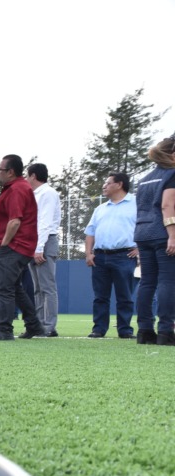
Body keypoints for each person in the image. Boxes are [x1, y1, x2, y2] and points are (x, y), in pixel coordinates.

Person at [0, 155, 46, 341]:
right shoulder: (17, 188)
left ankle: (5, 329)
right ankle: (34, 325)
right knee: (15, 287)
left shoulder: (17, 189)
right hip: (20, 246)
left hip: (14, 246)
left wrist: (4, 244)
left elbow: (14, 221)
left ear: (10, 172)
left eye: (0, 170)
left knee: (4, 288)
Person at [84, 171, 138, 339]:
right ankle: (99, 329)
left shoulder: (136, 204)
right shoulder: (100, 208)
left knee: (125, 296)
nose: (104, 186)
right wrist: (88, 254)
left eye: (108, 183)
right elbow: (90, 232)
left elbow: (144, 226)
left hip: (125, 256)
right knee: (100, 296)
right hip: (100, 257)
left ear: (119, 184)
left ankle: (125, 330)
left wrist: (140, 248)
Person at [134, 135, 175, 345]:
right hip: (162, 232)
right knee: (167, 281)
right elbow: (167, 206)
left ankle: (144, 330)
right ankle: (166, 331)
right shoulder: (172, 174)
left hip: (142, 232)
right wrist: (172, 235)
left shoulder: (144, 179)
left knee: (147, 282)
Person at [26, 163, 61, 337]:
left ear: (33, 176)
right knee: (38, 288)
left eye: (27, 175)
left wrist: (39, 248)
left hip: (44, 242)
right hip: (36, 242)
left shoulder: (47, 193)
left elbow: (45, 222)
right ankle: (39, 323)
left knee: (47, 287)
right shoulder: (35, 194)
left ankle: (49, 325)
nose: (26, 179)